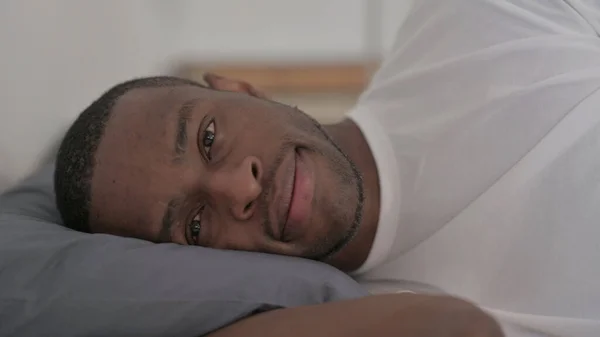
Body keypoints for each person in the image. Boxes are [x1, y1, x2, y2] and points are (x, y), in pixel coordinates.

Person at [54, 0, 600, 335]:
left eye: (208, 137)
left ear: (240, 88)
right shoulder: (389, 319)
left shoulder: (482, 18)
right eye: (194, 226)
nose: (235, 187)